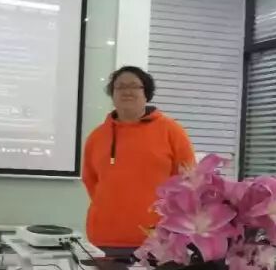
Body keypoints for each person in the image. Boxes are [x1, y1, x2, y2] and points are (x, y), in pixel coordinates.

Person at [82, 66, 194, 251]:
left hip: (158, 241)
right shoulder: (97, 137)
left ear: (146, 93)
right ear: (112, 94)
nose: (126, 91)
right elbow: (90, 180)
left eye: (134, 86)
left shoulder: (172, 131)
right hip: (104, 239)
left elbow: (187, 182)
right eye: (120, 87)